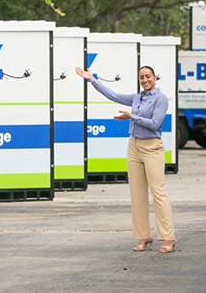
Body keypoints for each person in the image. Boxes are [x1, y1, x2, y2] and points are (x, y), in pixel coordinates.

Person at [75, 65, 177, 254]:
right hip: (134, 146)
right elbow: (113, 95)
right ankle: (144, 236)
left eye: (148, 77)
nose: (145, 80)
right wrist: (92, 80)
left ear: (155, 78)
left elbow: (155, 123)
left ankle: (168, 237)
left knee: (158, 192)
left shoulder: (160, 98)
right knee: (137, 193)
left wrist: (132, 116)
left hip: (152, 146)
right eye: (141, 77)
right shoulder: (137, 97)